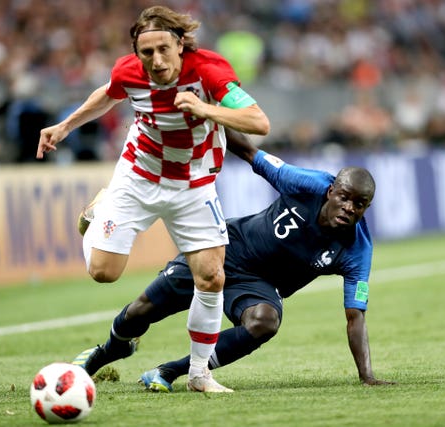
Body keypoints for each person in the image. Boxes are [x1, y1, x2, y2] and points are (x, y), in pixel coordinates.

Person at [37, 6, 270, 393]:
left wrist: (204, 108)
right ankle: (98, 214)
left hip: (193, 183)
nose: (156, 60)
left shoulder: (209, 70)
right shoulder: (128, 71)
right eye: (147, 52)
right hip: (139, 178)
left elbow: (258, 121)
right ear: (137, 52)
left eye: (164, 48)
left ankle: (199, 374)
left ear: (180, 44)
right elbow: (108, 95)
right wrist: (64, 126)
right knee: (103, 273)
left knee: (211, 277)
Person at [72, 129, 395, 391]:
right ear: (331, 192)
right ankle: (106, 352)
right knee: (141, 312)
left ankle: (168, 372)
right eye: (345, 197)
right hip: (223, 247)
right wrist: (210, 117)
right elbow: (249, 152)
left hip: (259, 284)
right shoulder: (306, 183)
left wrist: (366, 374)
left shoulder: (357, 248)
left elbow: (355, 316)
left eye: (360, 204)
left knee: (264, 322)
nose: (350, 208)